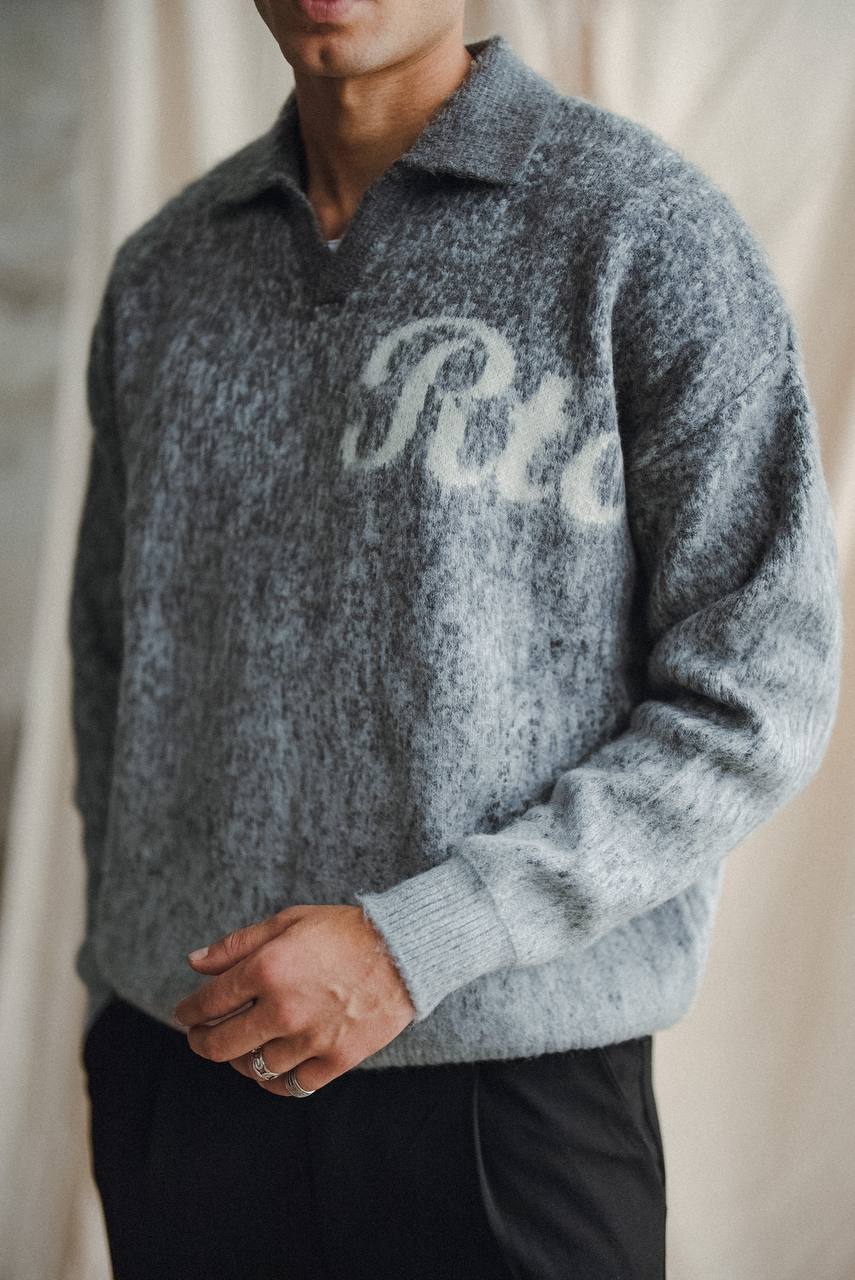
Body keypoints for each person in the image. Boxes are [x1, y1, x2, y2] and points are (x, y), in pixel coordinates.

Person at [69, 2, 843, 1278]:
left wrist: (423, 940)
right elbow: (112, 657)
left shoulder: (644, 234)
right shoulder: (166, 272)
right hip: (188, 1081)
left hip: (506, 1106)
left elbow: (758, 695)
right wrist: (123, 993)